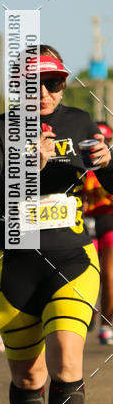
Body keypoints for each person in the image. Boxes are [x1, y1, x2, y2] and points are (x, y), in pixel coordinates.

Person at [0, 45, 113, 404]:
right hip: (12, 265)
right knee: (28, 376)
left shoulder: (81, 123)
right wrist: (26, 166)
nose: (46, 92)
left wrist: (108, 164)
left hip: (71, 258)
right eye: (35, 84)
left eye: (54, 83)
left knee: (67, 362)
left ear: (65, 83)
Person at [83, 121, 113, 344]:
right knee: (87, 273)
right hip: (85, 222)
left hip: (109, 220)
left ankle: (107, 323)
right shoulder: (81, 163)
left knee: (109, 274)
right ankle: (88, 310)